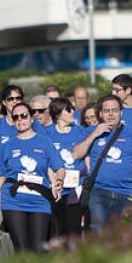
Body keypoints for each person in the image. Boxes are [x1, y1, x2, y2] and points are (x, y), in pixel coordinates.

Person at [0, 101, 64, 251]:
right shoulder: (8, 146)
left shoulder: (44, 142)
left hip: (39, 201)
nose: (20, 120)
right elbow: (0, 176)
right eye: (16, 117)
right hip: (13, 202)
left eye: (24, 116)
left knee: (38, 250)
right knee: (21, 250)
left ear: (32, 119)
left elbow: (59, 167)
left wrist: (59, 181)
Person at [71, 95, 132, 233]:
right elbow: (76, 154)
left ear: (121, 112)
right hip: (99, 191)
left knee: (122, 233)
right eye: (106, 111)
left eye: (114, 110)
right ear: (100, 113)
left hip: (126, 192)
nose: (110, 114)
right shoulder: (91, 131)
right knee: (99, 230)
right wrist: (94, 133)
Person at [46, 99, 87, 239]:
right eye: (68, 109)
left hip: (75, 190)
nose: (73, 112)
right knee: (58, 232)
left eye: (73, 109)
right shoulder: (47, 134)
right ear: (57, 114)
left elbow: (88, 159)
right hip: (55, 190)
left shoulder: (81, 132)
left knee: (74, 232)